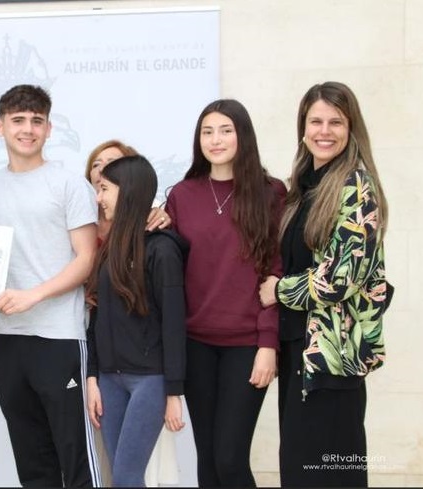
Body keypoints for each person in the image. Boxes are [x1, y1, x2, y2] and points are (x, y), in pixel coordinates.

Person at [0, 84, 101, 487]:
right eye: (18, 120)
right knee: (32, 460)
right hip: (7, 339)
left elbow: (86, 259)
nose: (28, 129)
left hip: (59, 337)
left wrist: (33, 295)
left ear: (49, 129)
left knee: (76, 457)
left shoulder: (69, 184)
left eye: (37, 121)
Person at [259, 81, 389, 487]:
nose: (324, 131)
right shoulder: (303, 188)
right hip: (299, 354)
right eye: (316, 121)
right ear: (303, 127)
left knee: (327, 476)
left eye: (336, 122)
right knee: (301, 474)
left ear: (351, 128)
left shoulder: (356, 187)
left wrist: (278, 291)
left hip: (333, 360)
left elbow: (340, 279)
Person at [165, 99, 286, 487]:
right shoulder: (181, 195)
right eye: (207, 132)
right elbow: (169, 269)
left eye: (225, 130)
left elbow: (276, 271)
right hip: (196, 344)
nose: (215, 140)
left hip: (247, 344)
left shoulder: (270, 193)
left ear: (242, 135)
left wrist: (268, 343)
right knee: (208, 461)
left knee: (230, 458)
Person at [84, 154, 187, 487]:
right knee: (122, 477)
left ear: (126, 190)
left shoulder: (162, 250)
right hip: (110, 380)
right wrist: (92, 376)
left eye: (104, 189)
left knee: (127, 477)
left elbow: (174, 323)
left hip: (149, 380)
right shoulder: (111, 247)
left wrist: (173, 393)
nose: (99, 198)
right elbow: (97, 316)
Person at [84, 140, 171, 242]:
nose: (101, 169)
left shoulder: (150, 218)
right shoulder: (79, 211)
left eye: (112, 163)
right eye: (96, 165)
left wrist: (160, 218)